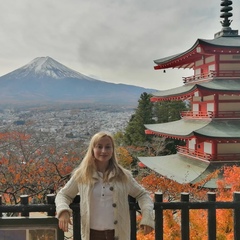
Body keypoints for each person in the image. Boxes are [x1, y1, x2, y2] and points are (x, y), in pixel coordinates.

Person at [55, 131, 154, 240]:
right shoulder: (82, 175)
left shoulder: (123, 176)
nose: (104, 151)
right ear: (92, 149)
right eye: (99, 147)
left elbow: (142, 194)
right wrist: (63, 210)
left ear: (112, 150)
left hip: (118, 235)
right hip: (91, 235)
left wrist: (147, 215)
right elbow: (63, 195)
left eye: (108, 147)